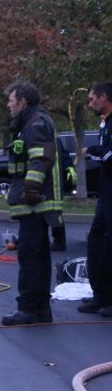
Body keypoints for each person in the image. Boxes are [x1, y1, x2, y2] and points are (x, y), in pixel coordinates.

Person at [1, 81, 62, 326]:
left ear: (22, 101)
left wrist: (30, 189)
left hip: (35, 202)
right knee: (37, 254)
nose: (8, 104)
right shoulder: (29, 123)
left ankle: (28, 308)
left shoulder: (35, 124)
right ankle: (40, 308)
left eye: (11, 100)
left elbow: (40, 159)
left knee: (30, 255)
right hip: (34, 202)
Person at [79, 81, 112, 317]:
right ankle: (101, 295)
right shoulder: (105, 123)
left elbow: (110, 156)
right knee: (97, 240)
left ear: (103, 97)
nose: (90, 104)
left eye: (92, 99)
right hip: (106, 191)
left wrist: (90, 152)